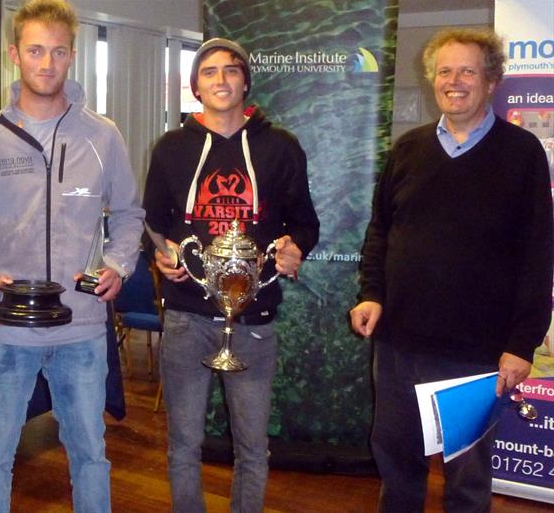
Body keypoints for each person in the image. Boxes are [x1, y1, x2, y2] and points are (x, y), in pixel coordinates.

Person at [0, 0, 143, 511]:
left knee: (90, 456)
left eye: (57, 52)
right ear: (15, 54)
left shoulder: (103, 135)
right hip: (6, 330)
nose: (47, 63)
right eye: (35, 50)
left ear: (72, 56)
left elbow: (128, 217)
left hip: (81, 330)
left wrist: (118, 265)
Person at [350, 28, 553, 513]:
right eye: (445, 71)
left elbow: (538, 256)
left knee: (466, 481)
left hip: (475, 354)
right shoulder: (408, 149)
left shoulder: (523, 154)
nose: (454, 81)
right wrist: (372, 293)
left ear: (491, 82)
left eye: (467, 71)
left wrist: (520, 343)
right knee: (398, 469)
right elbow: (381, 230)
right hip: (399, 344)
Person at [143, 38, 320, 512]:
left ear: (245, 81)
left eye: (231, 70)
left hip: (254, 321)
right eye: (209, 72)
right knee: (183, 445)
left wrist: (294, 247)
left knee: (252, 449)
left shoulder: (280, 147)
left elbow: (306, 222)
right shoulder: (171, 149)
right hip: (185, 317)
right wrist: (161, 255)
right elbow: (151, 223)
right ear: (195, 86)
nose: (220, 80)